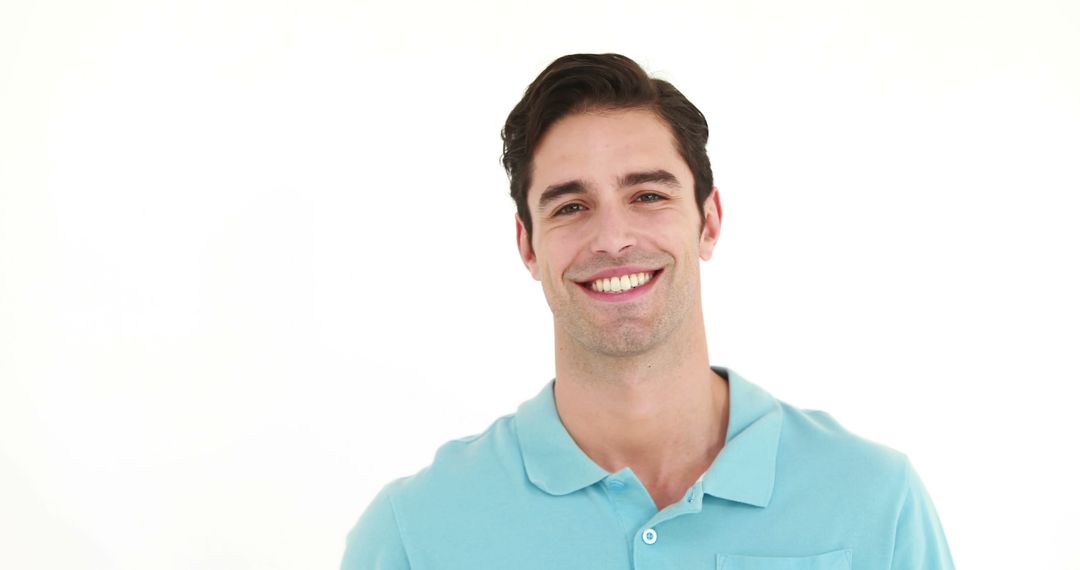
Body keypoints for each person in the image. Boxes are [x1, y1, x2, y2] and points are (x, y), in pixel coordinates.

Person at [341, 53, 954, 569]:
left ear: (708, 222)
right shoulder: (413, 534)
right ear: (528, 246)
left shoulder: (876, 501)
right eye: (570, 206)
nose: (613, 238)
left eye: (648, 195)